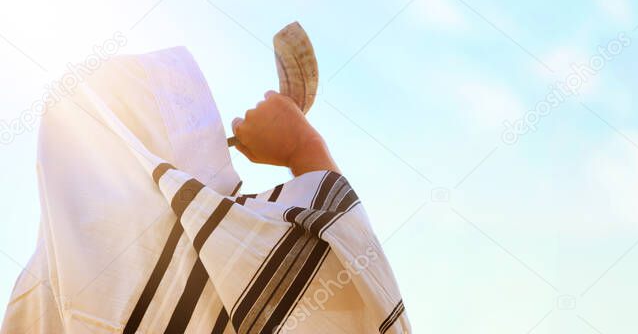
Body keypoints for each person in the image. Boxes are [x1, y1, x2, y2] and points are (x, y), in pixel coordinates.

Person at [1, 47, 409, 333]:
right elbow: (354, 289)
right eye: (186, 115)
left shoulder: (38, 290)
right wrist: (303, 147)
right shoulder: (203, 250)